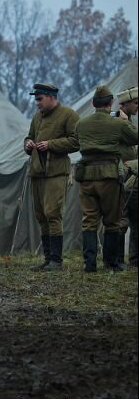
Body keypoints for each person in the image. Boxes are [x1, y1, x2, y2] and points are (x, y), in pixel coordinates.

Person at [75, 85, 138, 272]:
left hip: (86, 176)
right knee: (112, 220)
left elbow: (78, 140)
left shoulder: (81, 123)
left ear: (94, 103)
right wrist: (127, 123)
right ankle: (111, 263)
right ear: (110, 103)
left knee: (89, 220)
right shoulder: (118, 124)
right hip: (109, 176)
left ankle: (89, 264)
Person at [24, 83, 80, 270]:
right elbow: (28, 137)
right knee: (41, 215)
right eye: (36, 99)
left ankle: (56, 261)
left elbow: (76, 141)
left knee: (52, 214)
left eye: (39, 99)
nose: (37, 103)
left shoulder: (69, 115)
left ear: (51, 97)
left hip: (56, 172)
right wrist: (28, 144)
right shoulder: (36, 118)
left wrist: (51, 144)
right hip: (37, 171)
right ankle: (48, 259)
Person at [116, 86, 138, 268]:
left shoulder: (128, 120)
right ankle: (116, 260)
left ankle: (134, 259)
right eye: (136, 103)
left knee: (135, 220)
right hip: (122, 176)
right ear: (126, 104)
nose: (138, 106)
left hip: (132, 176)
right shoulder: (120, 122)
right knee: (121, 220)